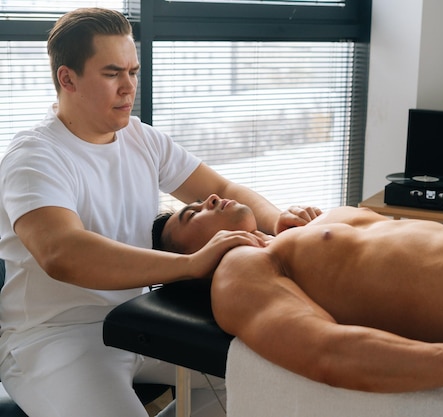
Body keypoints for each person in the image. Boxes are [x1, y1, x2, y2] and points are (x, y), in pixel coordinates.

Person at [0, 8, 320, 417]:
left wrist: (279, 222)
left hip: (137, 321)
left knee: (273, 382)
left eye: (133, 71)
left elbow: (222, 189)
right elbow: (62, 252)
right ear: (68, 78)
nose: (128, 87)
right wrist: (189, 264)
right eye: (112, 73)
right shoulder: (34, 156)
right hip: (52, 338)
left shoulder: (141, 138)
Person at [152, 194, 443, 417]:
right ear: (189, 258)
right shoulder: (239, 270)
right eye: (192, 214)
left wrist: (303, 227)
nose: (207, 199)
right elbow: (326, 350)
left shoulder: (290, 232)